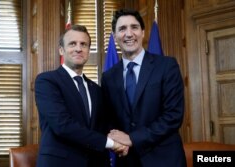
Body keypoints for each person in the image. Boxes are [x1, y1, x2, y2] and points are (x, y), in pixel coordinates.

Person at [101, 9, 187, 167]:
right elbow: (109, 120)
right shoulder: (108, 76)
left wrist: (132, 139)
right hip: (126, 160)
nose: (128, 34)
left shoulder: (167, 66)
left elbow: (173, 116)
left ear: (142, 32)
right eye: (122, 29)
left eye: (134, 27)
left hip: (165, 160)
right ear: (114, 36)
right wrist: (117, 141)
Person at [35, 25, 126, 167]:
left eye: (83, 44)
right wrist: (111, 143)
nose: (78, 48)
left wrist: (125, 140)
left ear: (88, 51)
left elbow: (104, 127)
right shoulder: (47, 81)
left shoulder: (96, 90)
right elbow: (62, 125)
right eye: (72, 44)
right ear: (61, 50)